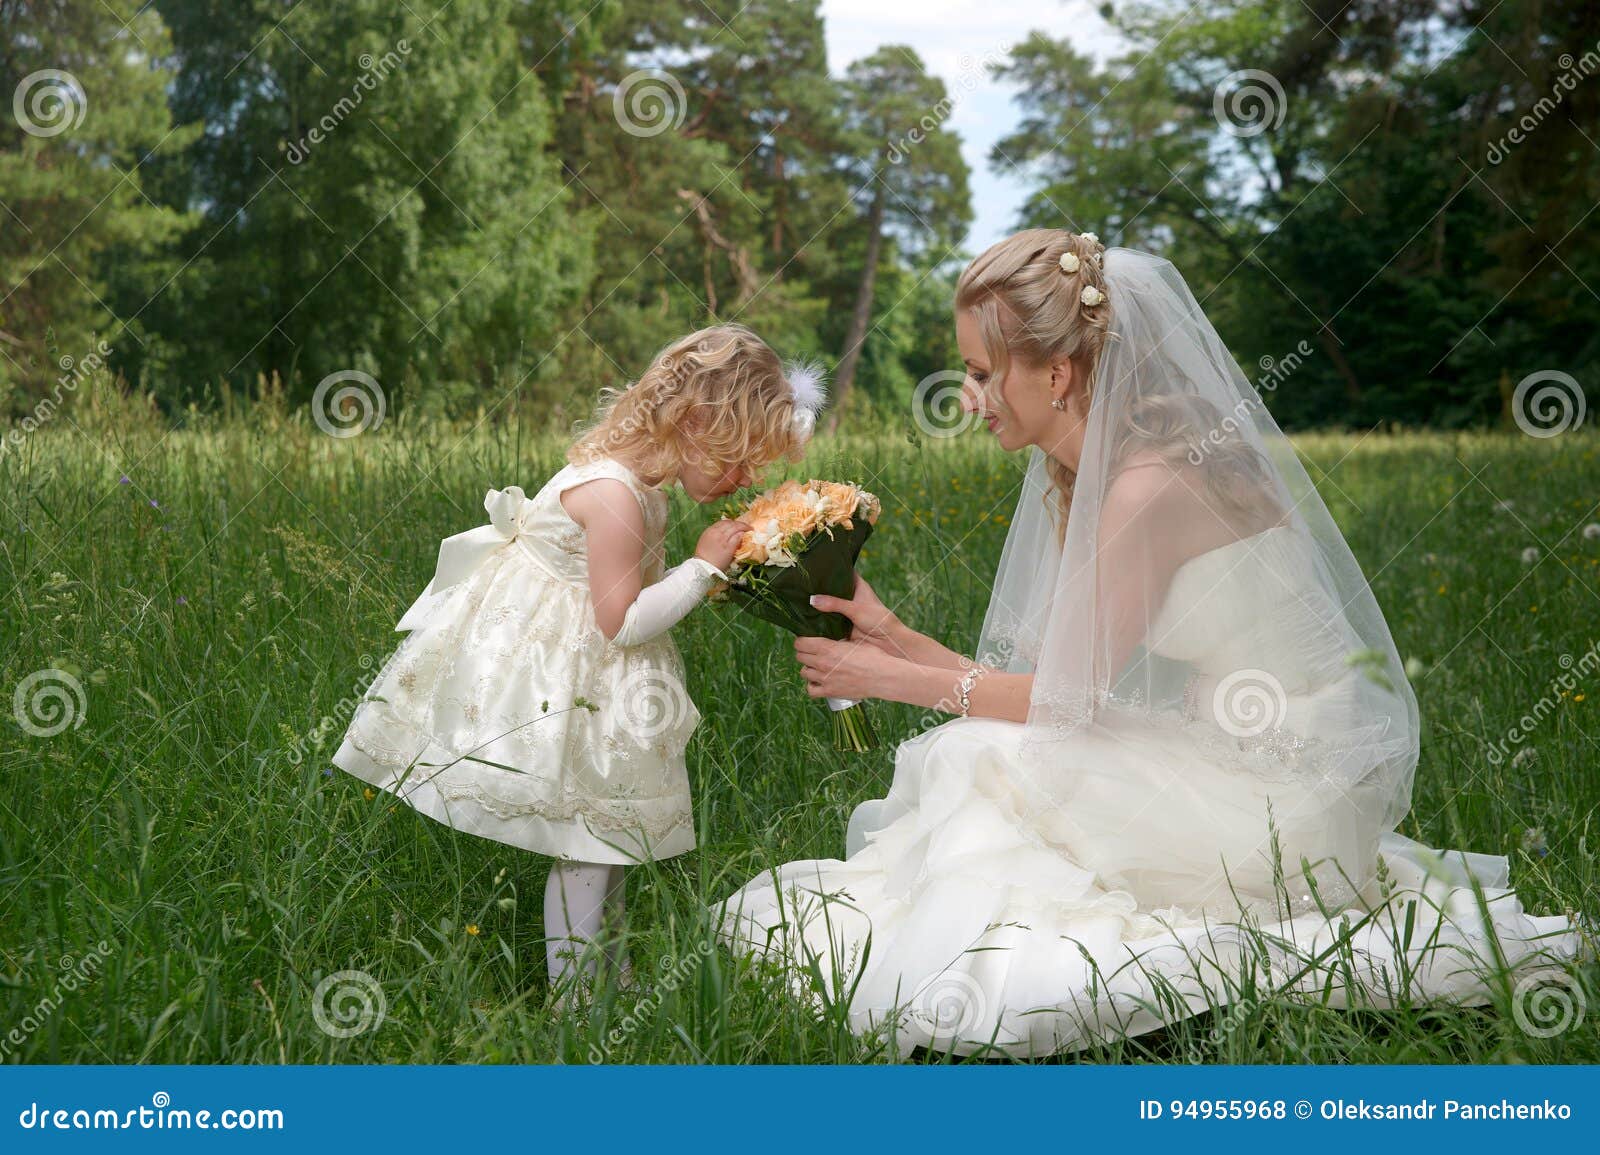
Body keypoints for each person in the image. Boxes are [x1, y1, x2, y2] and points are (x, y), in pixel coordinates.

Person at [718, 231, 1584, 1057]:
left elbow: (1064, 704)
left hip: (1290, 788)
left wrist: (886, 679)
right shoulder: (1099, 468)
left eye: (982, 373)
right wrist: (893, 635)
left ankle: (983, 974)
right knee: (982, 748)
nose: (969, 396)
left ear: (1056, 371)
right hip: (1230, 747)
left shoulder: (1146, 486)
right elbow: (1059, 685)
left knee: (973, 755)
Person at [335, 324, 820, 994]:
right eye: (738, 459)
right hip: (559, 674)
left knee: (605, 836)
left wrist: (705, 576)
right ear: (697, 420)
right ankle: (579, 999)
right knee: (586, 843)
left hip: (591, 671)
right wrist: (701, 566)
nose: (744, 478)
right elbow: (620, 623)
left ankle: (607, 976)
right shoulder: (616, 492)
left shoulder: (640, 484)